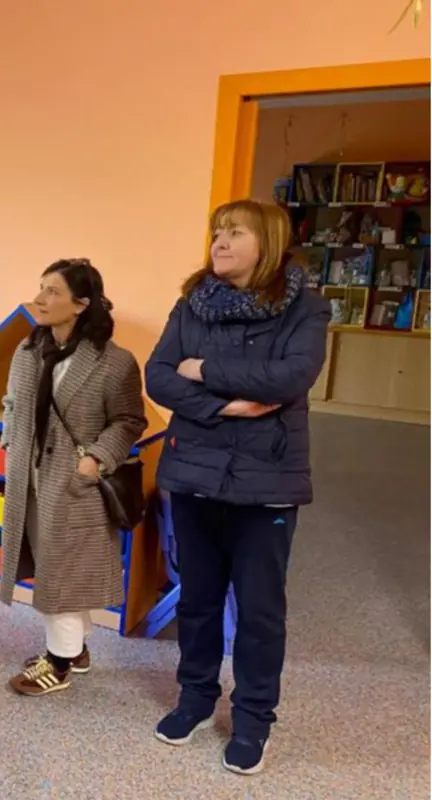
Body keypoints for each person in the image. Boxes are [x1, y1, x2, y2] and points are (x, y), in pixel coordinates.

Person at [145, 198, 330, 776]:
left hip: (267, 480)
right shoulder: (191, 303)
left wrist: (202, 371)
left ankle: (253, 720)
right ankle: (196, 698)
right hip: (194, 473)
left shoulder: (307, 308)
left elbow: (290, 377)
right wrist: (228, 405)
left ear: (268, 242)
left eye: (234, 233)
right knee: (197, 601)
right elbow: (158, 375)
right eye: (216, 233)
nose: (218, 243)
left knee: (258, 611)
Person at [0, 258, 148, 696]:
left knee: (62, 571)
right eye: (40, 287)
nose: (40, 299)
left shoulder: (114, 362)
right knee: (51, 564)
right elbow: (11, 402)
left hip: (74, 480)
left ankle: (59, 663)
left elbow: (128, 421)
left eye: (53, 292)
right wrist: (10, 440)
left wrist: (95, 460)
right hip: (28, 475)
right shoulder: (28, 350)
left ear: (81, 304)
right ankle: (75, 649)